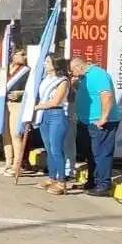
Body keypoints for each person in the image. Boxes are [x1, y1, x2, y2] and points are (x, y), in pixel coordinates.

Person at [71, 56, 120, 196]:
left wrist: (103, 118)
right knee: (90, 153)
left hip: (100, 122)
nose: (73, 74)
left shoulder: (98, 74)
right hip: (86, 122)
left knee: (101, 153)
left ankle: (103, 185)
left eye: (72, 70)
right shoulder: (83, 78)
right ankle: (92, 181)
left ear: (79, 66)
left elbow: (107, 95)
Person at [33, 56, 72, 195]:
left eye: (48, 61)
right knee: (48, 148)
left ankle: (62, 181)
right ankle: (51, 177)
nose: (45, 64)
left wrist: (37, 107)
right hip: (44, 115)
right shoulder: (44, 80)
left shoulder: (62, 81)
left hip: (57, 114)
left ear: (55, 64)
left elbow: (56, 101)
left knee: (56, 149)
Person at [0, 48, 31, 177]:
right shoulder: (5, 69)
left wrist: (19, 94)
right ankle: (8, 161)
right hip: (4, 104)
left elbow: (31, 90)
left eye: (25, 54)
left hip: (17, 104)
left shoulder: (28, 71)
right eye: (22, 54)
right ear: (13, 56)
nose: (25, 56)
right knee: (5, 134)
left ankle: (17, 165)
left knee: (15, 134)